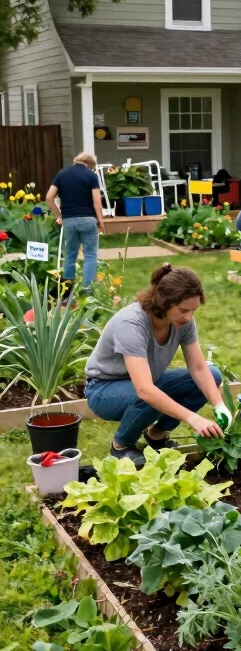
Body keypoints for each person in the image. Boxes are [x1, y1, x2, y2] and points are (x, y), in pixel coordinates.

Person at [84, 264, 231, 466]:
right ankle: (120, 446)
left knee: (213, 376)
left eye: (193, 311)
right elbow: (145, 390)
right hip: (103, 389)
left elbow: (198, 368)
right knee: (149, 394)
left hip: (146, 382)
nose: (188, 317)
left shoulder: (184, 322)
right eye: (183, 310)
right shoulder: (132, 323)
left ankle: (156, 434)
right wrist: (193, 418)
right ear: (164, 302)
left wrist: (219, 405)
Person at [45, 152, 105, 287]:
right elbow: (97, 201)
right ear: (90, 165)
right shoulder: (91, 176)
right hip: (88, 219)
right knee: (90, 255)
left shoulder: (61, 174)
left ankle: (67, 291)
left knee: (70, 255)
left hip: (69, 220)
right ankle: (87, 290)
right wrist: (101, 221)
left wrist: (59, 216)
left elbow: (49, 198)